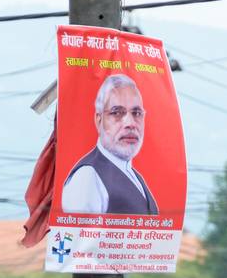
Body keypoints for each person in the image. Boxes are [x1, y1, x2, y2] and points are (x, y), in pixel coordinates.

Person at [60, 74, 159, 215]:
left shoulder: (134, 175)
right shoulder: (87, 176)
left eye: (136, 113)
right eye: (117, 112)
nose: (130, 124)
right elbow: (79, 236)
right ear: (99, 120)